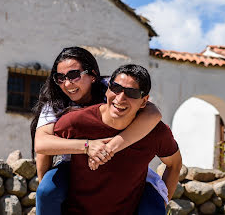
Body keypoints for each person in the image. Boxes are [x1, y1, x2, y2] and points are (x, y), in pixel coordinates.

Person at [30, 47, 165, 215]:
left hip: (123, 163)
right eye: (60, 77)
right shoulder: (55, 103)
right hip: (74, 167)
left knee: (152, 206)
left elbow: (153, 113)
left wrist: (111, 147)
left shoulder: (113, 90)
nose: (67, 83)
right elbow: (42, 144)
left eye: (73, 75)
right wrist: (87, 146)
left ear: (93, 75)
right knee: (47, 192)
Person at [54, 64, 182, 214]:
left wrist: (161, 203)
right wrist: (86, 146)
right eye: (116, 88)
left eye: (132, 93)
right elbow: (44, 144)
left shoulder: (156, 133)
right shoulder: (78, 121)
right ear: (108, 89)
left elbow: (175, 164)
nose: (120, 98)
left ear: (144, 101)